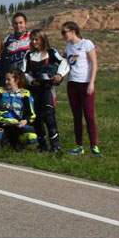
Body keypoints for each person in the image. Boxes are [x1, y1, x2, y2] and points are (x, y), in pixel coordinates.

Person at [24, 30, 68, 153]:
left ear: (43, 40)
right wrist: (32, 81)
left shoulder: (51, 52)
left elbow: (64, 62)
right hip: (33, 90)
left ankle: (55, 146)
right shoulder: (28, 55)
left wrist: (59, 75)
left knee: (49, 116)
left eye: (36, 39)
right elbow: (24, 72)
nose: (34, 42)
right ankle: (42, 145)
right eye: (32, 39)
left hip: (48, 90)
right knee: (36, 118)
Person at [62, 21, 100, 156]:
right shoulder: (68, 47)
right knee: (76, 116)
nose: (63, 35)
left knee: (89, 116)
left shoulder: (86, 44)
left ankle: (94, 146)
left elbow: (94, 64)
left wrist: (91, 83)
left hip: (85, 83)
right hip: (72, 84)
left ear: (73, 31)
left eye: (64, 32)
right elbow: (64, 61)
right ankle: (79, 145)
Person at [0, 68, 37, 151]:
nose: (6, 82)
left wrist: (25, 121)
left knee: (31, 137)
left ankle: (17, 143)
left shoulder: (25, 94)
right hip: (1, 125)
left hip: (17, 126)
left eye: (8, 79)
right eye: (5, 79)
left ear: (16, 80)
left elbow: (31, 113)